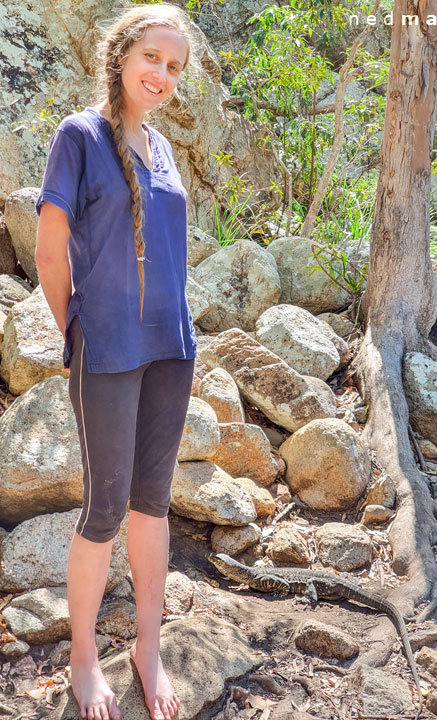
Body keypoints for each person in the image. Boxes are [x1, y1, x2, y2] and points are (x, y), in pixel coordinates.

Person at [34, 5, 197, 719]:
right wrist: (78, 327)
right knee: (103, 509)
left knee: (152, 504)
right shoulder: (81, 135)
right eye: (153, 58)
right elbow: (49, 249)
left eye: (175, 67)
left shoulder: (162, 149)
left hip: (170, 348)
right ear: (123, 52)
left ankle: (147, 647)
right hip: (106, 350)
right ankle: (80, 660)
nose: (162, 75)